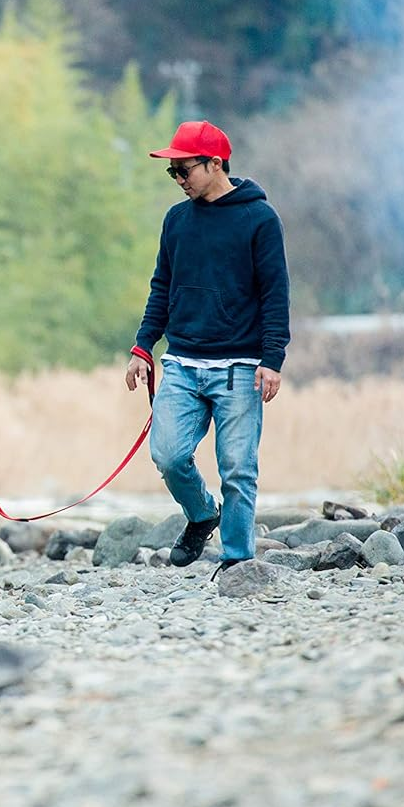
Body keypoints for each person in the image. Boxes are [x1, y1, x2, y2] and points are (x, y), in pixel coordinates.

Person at [124, 120, 289, 575]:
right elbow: (162, 286)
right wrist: (143, 346)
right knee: (168, 455)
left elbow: (276, 294)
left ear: (215, 164)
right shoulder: (177, 220)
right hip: (181, 363)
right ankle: (202, 514)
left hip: (240, 366)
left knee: (237, 469)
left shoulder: (259, 219)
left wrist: (272, 359)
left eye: (183, 170)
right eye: (172, 172)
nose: (178, 180)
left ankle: (237, 562)